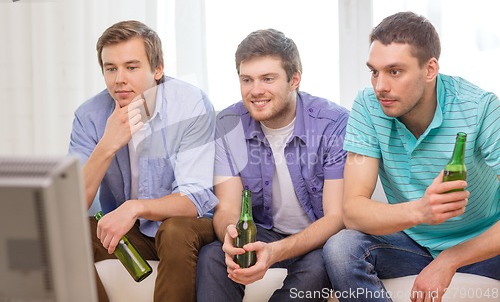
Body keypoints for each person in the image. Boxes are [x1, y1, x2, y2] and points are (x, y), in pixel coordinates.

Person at [322, 11, 500, 302]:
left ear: (429, 70)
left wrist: (449, 260)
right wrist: (421, 211)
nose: (380, 86)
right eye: (374, 72)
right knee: (341, 249)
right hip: (414, 243)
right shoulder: (367, 107)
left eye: (394, 71)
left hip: (484, 243)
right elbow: (353, 211)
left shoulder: (481, 108)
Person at [68, 20, 218, 302]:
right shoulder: (89, 115)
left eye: (131, 67)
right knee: (63, 235)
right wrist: (108, 144)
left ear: (157, 69)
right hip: (130, 230)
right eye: (110, 68)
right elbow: (73, 205)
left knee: (174, 230)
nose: (119, 79)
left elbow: (194, 197)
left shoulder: (190, 104)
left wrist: (134, 208)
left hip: (187, 225)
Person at [196, 28, 349, 301]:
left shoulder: (333, 123)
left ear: (294, 80)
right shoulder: (229, 123)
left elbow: (335, 217)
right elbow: (228, 207)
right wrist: (231, 238)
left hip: (317, 240)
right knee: (212, 256)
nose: (256, 91)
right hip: (265, 232)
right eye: (247, 79)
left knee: (318, 267)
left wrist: (276, 253)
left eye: (268, 79)